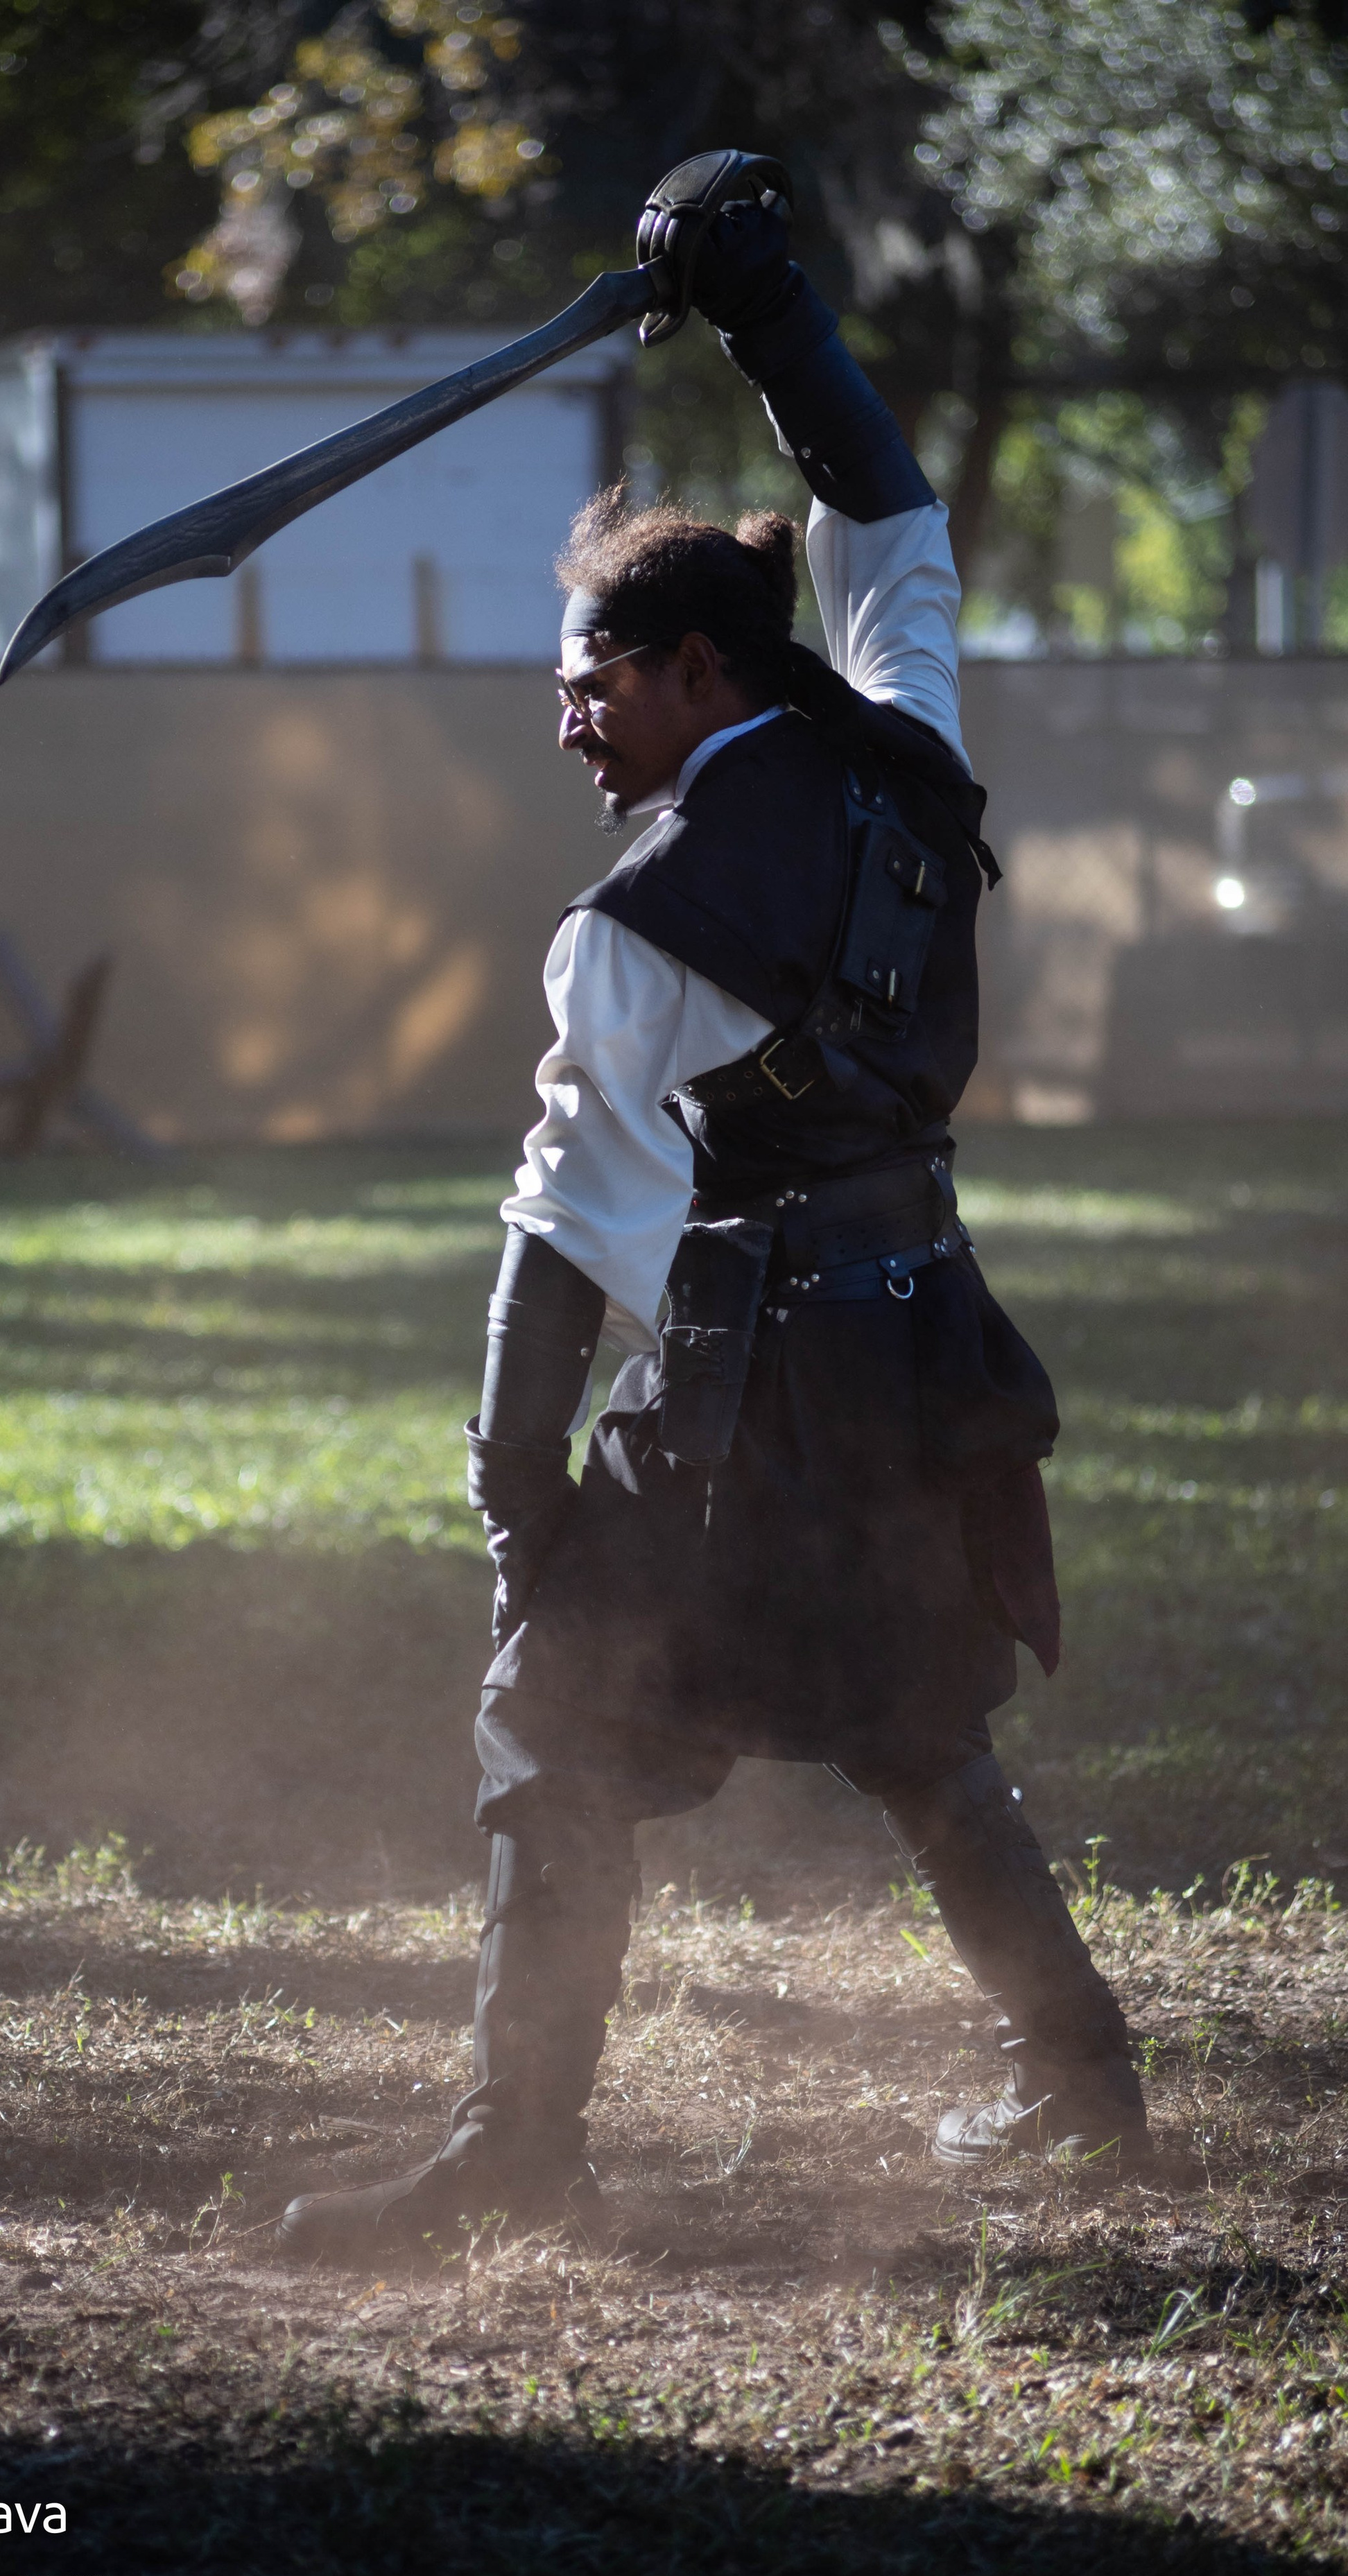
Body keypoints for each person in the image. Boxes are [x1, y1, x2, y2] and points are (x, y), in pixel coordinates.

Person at [279, 192, 1147, 2263]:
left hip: (754, 1393)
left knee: (551, 1723)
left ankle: (517, 2154)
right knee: (918, 1726)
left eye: (589, 685)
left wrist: (517, 1499)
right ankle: (1084, 2082)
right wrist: (772, 313)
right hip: (924, 1353)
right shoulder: (910, 762)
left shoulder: (637, 928)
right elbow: (897, 527)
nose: (568, 722)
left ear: (691, 667)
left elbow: (569, 1223)